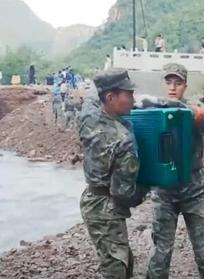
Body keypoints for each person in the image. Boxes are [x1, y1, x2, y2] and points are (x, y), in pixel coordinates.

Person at [146, 63, 204, 278]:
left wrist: (165, 103)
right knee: (160, 253)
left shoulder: (195, 108)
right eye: (168, 83)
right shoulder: (153, 112)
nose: (172, 87)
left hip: (193, 191)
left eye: (177, 83)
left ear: (185, 86)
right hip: (164, 192)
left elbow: (199, 117)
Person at [78, 69, 149, 279]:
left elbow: (92, 96)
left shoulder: (89, 115)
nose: (133, 100)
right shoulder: (123, 140)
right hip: (107, 208)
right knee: (116, 267)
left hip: (90, 199)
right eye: (128, 95)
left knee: (122, 257)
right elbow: (123, 193)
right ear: (110, 97)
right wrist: (147, 186)